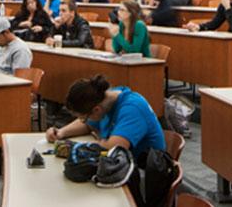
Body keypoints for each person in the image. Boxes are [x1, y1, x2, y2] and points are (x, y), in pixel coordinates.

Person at [44, 75, 166, 206]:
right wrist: (61, 133)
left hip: (144, 176)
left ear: (96, 110)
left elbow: (111, 148)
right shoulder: (106, 98)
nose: (84, 121)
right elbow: (87, 125)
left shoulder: (132, 108)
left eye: (84, 117)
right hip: (121, 166)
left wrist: (81, 145)